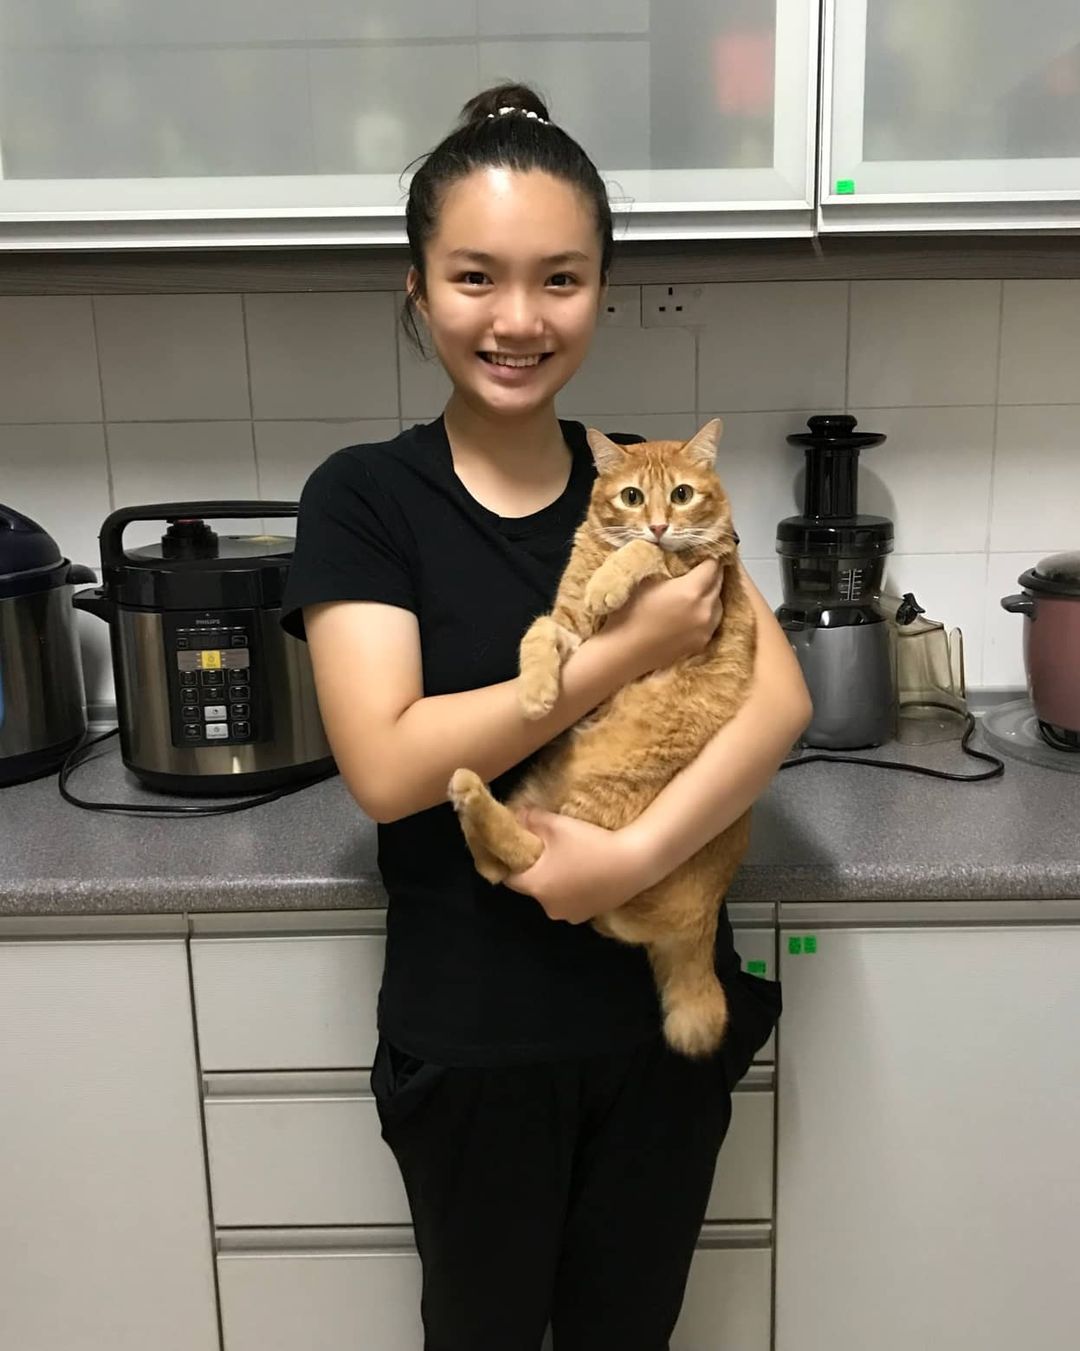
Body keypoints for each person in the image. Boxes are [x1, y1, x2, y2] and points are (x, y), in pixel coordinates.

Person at [281, 82, 811, 1351]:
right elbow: (388, 765)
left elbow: (779, 698)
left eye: (559, 280)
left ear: (602, 291)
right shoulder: (366, 499)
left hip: (656, 1025)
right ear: (418, 288)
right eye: (475, 277)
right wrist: (623, 651)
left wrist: (630, 862)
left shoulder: (646, 482)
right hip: (477, 1043)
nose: (518, 319)